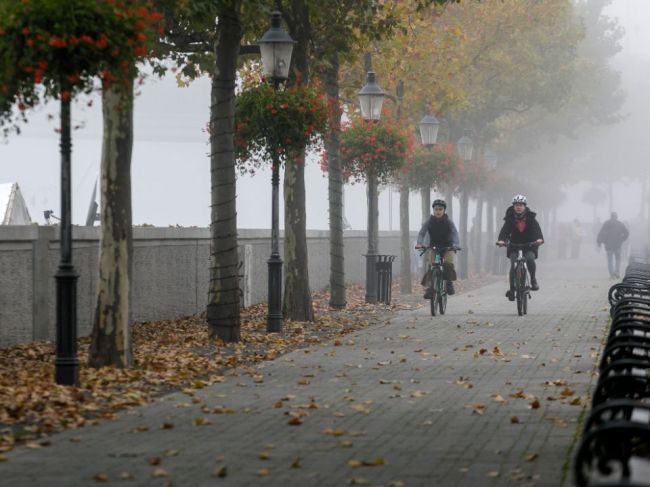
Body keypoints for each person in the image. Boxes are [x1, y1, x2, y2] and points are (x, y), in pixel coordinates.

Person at [496, 194, 544, 301]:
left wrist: (539, 239)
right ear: (513, 207)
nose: (519, 207)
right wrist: (501, 240)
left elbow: (537, 231)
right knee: (513, 266)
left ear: (525, 206)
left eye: (521, 205)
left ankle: (533, 280)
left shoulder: (531, 219)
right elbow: (504, 231)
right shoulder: (509, 219)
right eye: (516, 205)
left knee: (530, 260)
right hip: (514, 246)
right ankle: (512, 290)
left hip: (529, 245)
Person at [415, 199, 460, 298]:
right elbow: (422, 233)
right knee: (432, 266)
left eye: (440, 209)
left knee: (448, 264)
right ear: (433, 210)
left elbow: (454, 233)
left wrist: (456, 244)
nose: (438, 211)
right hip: (435, 248)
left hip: (448, 247)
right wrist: (419, 243)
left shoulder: (448, 221)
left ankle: (449, 283)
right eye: (436, 209)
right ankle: (430, 288)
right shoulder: (429, 221)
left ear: (444, 211)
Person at [596, 212, 629, 278]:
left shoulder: (607, 223)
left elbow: (601, 233)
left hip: (609, 245)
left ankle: (612, 274)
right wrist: (622, 239)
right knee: (618, 259)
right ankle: (617, 272)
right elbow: (627, 233)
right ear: (617, 217)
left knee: (610, 260)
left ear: (611, 216)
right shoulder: (620, 224)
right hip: (618, 245)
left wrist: (599, 242)